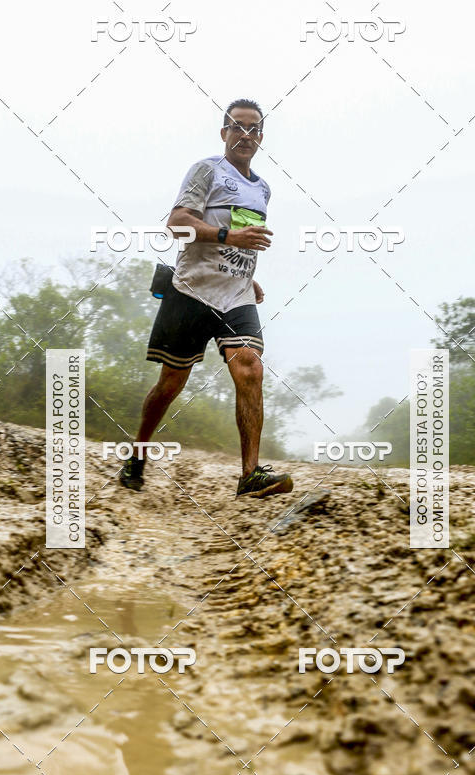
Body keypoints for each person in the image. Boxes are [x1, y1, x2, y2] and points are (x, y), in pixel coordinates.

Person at [120, 98, 293, 499]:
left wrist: (248, 277)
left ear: (261, 138)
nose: (245, 134)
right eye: (237, 126)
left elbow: (246, 242)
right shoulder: (206, 169)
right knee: (170, 383)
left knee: (249, 368)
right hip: (191, 291)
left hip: (236, 296)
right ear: (224, 133)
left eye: (253, 128)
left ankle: (249, 475)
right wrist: (227, 237)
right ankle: (138, 455)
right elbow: (177, 224)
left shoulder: (263, 188)